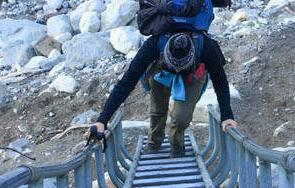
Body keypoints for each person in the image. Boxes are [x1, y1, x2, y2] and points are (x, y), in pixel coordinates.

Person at [91, 30, 237, 157]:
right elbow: (126, 83)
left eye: (181, 67)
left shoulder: (207, 47)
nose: (178, 71)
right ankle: (154, 141)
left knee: (182, 117)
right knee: (157, 109)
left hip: (194, 72)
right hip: (160, 69)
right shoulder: (154, 45)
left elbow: (220, 82)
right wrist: (102, 120)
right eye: (175, 66)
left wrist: (227, 116)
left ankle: (177, 144)